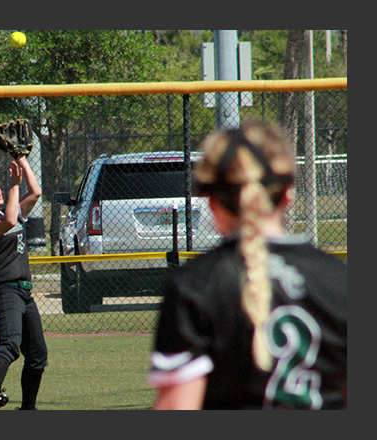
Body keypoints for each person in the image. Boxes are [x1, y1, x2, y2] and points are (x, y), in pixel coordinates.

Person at [147, 119, 347, 410]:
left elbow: (178, 407)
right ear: (288, 193)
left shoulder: (196, 285)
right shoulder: (340, 281)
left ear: (212, 203)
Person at [0, 155, 48, 410]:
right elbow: (9, 222)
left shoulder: (10, 210)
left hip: (25, 293)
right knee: (10, 344)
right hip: (5, 291)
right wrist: (14, 185)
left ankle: (28, 409)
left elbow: (35, 193)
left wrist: (22, 159)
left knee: (37, 356)